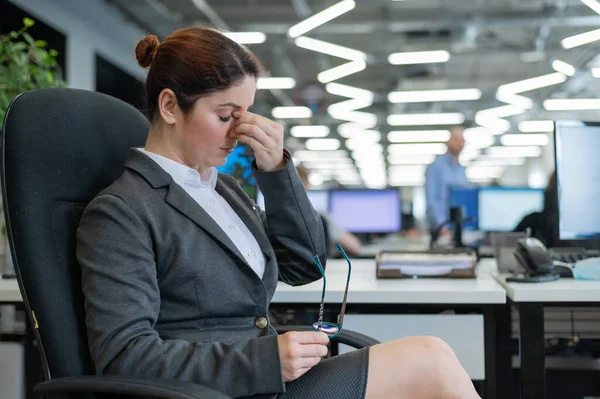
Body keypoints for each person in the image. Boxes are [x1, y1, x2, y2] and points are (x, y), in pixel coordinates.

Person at [76, 27, 479, 399]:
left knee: (434, 357)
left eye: (245, 115)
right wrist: (264, 360)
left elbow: (306, 266)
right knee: (430, 361)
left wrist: (276, 173)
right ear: (169, 106)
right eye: (224, 115)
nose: (239, 132)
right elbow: (124, 357)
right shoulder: (121, 212)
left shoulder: (224, 190)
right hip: (223, 389)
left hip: (269, 382)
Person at [295, 165, 362, 257]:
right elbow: (355, 247)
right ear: (306, 186)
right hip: (317, 270)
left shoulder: (270, 218)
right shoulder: (318, 217)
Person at [425, 126, 474, 237]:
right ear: (448, 141)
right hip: (441, 229)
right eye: (457, 139)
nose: (460, 143)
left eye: (462, 140)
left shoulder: (461, 169)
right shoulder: (436, 166)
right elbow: (432, 199)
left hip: (459, 228)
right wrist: (443, 227)